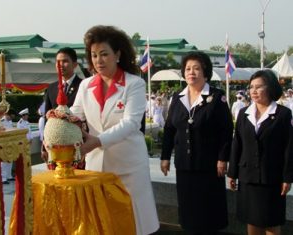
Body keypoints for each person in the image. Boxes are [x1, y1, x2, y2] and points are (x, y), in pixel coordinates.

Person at [70, 25, 159, 235]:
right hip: (96, 168)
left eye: (104, 54)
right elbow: (75, 114)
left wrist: (97, 141)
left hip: (129, 168)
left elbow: (130, 123)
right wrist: (59, 119)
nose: (98, 60)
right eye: (93, 55)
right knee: (102, 224)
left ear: (117, 54)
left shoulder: (134, 84)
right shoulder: (85, 86)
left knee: (134, 225)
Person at [160, 51, 233, 235]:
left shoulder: (216, 97)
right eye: (188, 69)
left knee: (208, 214)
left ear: (205, 72)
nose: (191, 72)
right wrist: (165, 157)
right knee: (188, 211)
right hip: (184, 165)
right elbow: (169, 129)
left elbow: (226, 130)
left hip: (209, 166)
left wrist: (222, 158)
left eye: (196, 68)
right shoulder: (178, 98)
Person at [228, 70, 293, 235]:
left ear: (270, 88)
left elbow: (289, 147)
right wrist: (232, 172)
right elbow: (238, 144)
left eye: (259, 87)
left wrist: (287, 177)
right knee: (252, 220)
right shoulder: (244, 113)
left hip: (272, 177)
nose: (254, 91)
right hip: (247, 176)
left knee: (271, 221)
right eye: (251, 87)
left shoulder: (283, 114)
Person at [42, 47, 83, 162]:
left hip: (77, 144)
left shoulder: (83, 85)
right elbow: (47, 118)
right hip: (56, 146)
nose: (61, 65)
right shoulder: (51, 88)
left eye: (65, 61)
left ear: (75, 64)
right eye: (58, 62)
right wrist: (44, 146)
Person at [0, 110, 15, 184]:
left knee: (10, 160)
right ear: (6, 114)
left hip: (10, 143)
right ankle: (3, 178)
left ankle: (9, 176)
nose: (11, 118)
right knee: (4, 161)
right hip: (3, 144)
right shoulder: (1, 121)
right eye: (10, 116)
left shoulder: (10, 121)